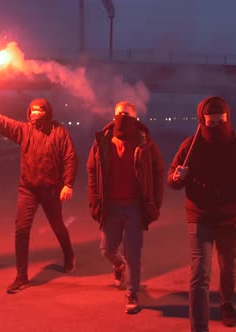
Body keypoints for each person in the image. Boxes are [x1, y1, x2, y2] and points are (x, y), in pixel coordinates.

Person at [168, 96, 236, 331]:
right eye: (210, 123)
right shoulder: (190, 146)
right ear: (201, 121)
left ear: (228, 119)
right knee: (200, 274)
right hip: (199, 214)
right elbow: (172, 175)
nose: (215, 128)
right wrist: (176, 178)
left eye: (220, 123)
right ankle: (199, 327)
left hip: (230, 217)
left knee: (228, 268)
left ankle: (227, 303)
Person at [0, 91, 77, 294]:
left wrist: (68, 184)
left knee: (57, 225)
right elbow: (2, 122)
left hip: (52, 189)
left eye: (40, 112)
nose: (36, 115)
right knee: (21, 229)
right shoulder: (23, 130)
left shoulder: (59, 132)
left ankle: (69, 254)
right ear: (29, 113)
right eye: (33, 112)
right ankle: (22, 277)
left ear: (47, 113)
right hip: (28, 189)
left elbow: (70, 158)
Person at [87, 101, 164, 314]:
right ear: (113, 116)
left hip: (134, 207)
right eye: (119, 113)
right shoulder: (103, 140)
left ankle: (132, 292)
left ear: (135, 117)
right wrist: (94, 200)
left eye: (127, 113)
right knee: (107, 249)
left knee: (133, 253)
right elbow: (92, 170)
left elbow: (159, 170)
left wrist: (155, 201)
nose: (122, 115)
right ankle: (118, 266)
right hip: (110, 205)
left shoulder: (145, 140)